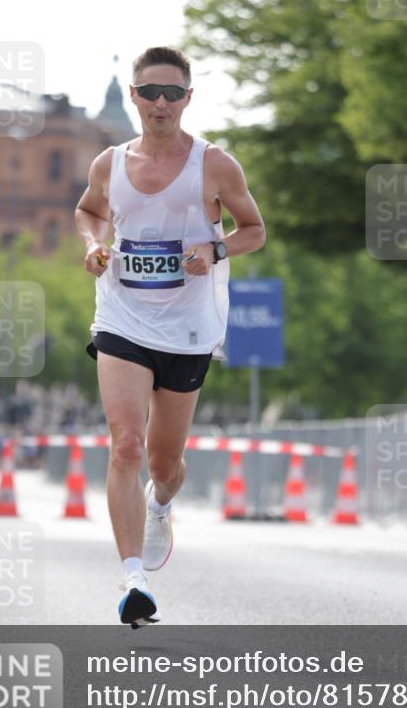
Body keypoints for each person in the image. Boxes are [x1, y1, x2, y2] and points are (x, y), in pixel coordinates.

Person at [75, 46, 265, 627]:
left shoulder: (215, 164)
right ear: (134, 96)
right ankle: (133, 578)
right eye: (151, 92)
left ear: (188, 98)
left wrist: (215, 248)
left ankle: (160, 505)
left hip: (187, 327)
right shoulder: (109, 162)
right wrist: (94, 245)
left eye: (173, 93)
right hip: (122, 318)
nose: (161, 103)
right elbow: (88, 212)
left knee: (163, 464)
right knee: (126, 446)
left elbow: (254, 230)